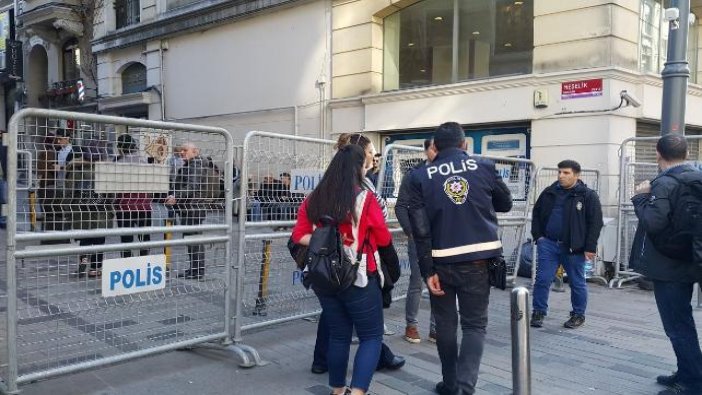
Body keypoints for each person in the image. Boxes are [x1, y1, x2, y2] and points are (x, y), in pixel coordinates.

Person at [407, 122, 512, 395]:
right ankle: (464, 388)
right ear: (465, 145)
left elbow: (420, 230)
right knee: (475, 325)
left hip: (441, 262)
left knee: (445, 325)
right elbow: (505, 203)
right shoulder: (485, 167)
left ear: (435, 147)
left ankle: (451, 383)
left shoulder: (421, 176)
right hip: (479, 260)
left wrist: (427, 270)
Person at [291, 144, 390, 395]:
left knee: (338, 335)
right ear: (358, 167)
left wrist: (325, 240)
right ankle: (357, 392)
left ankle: (337, 391)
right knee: (371, 337)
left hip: (323, 276)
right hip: (358, 277)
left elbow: (298, 235)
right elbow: (383, 238)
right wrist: (344, 240)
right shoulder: (364, 198)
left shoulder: (314, 198)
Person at [310, 133, 405, 375]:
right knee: (368, 328)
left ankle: (332, 373)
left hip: (336, 263)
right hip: (360, 261)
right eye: (371, 152)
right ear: (359, 157)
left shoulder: (327, 187)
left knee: (338, 323)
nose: (374, 157)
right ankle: (372, 362)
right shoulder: (359, 187)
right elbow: (380, 233)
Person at [630, 134, 702, 395]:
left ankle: (692, 383)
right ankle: (688, 371)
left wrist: (640, 197)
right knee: (683, 322)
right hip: (691, 258)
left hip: (668, 265)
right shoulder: (696, 178)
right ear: (686, 154)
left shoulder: (663, 184)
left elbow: (653, 223)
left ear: (658, 154)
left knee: (677, 325)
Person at [530, 160, 603, 329]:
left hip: (573, 247)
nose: (561, 176)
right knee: (542, 280)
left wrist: (590, 247)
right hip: (548, 244)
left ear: (577, 175)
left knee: (577, 282)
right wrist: (538, 237)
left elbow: (595, 223)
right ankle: (539, 311)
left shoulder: (587, 195)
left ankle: (578, 315)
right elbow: (537, 214)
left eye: (566, 173)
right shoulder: (549, 192)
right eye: (560, 172)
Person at [395, 138, 437, 343]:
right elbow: (401, 206)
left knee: (440, 282)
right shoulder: (414, 175)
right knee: (417, 282)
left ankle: (435, 328)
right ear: (426, 150)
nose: (437, 152)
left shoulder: (445, 173)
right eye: (433, 148)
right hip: (419, 239)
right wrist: (411, 231)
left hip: (441, 238)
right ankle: (411, 325)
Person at [165, 143, 208, 279]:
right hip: (191, 207)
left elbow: (192, 186)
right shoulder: (192, 164)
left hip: (193, 208)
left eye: (185, 150)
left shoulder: (195, 165)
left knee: (194, 240)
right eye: (181, 150)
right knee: (191, 239)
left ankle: (197, 271)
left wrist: (176, 196)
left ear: (195, 151)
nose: (182, 152)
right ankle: (194, 269)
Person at [114, 134, 152, 258]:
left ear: (120, 147)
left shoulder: (117, 162)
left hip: (125, 206)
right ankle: (144, 262)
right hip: (143, 205)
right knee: (144, 238)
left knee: (126, 239)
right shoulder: (143, 161)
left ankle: (127, 264)